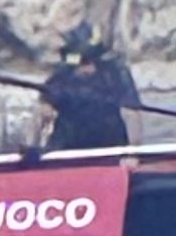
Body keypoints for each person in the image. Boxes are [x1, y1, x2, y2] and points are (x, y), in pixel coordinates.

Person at [39, 25, 140, 153]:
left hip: (110, 147)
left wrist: (133, 154)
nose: (86, 67)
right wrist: (33, 147)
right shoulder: (63, 74)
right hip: (66, 147)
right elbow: (42, 112)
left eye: (89, 60)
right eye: (80, 62)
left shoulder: (116, 73)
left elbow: (132, 114)